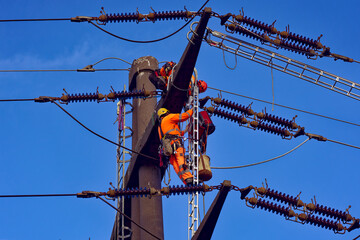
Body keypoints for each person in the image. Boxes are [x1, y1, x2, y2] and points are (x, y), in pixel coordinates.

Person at [157, 107, 194, 186]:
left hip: (168, 148)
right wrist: (192, 110)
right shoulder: (169, 117)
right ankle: (189, 178)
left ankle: (186, 182)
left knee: (176, 166)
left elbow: (171, 133)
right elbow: (184, 116)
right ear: (166, 113)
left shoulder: (160, 127)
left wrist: (184, 131)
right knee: (181, 160)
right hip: (175, 143)